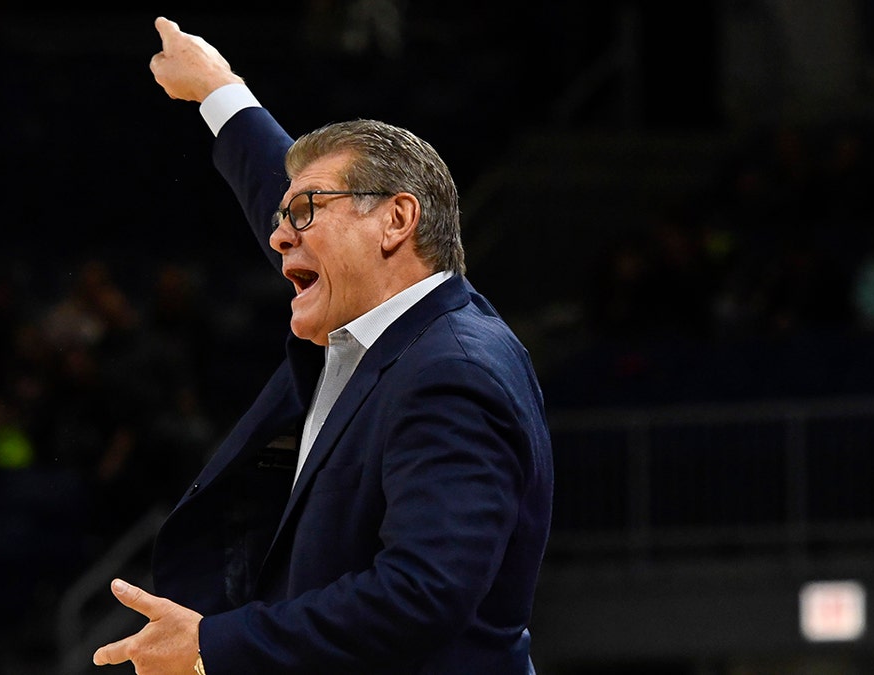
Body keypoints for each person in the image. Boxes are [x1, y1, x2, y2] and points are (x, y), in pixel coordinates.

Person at [92, 17, 554, 674]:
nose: (281, 237)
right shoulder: (391, 326)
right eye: (284, 219)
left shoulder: (454, 373)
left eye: (306, 212)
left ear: (396, 220)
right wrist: (219, 92)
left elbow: (419, 596)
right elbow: (281, 199)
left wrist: (209, 646)